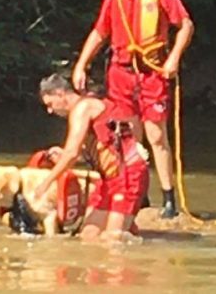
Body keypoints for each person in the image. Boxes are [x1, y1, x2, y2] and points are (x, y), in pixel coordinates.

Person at [71, 0, 194, 218]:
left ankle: (169, 198)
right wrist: (81, 64)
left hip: (152, 74)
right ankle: (140, 195)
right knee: (128, 137)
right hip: (121, 75)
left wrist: (173, 58)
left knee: (157, 136)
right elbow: (99, 33)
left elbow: (185, 25)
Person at [34, 74, 150, 242]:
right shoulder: (85, 107)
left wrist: (46, 183)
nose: (50, 111)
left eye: (50, 104)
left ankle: (127, 227)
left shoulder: (83, 108)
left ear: (60, 94)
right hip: (108, 179)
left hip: (128, 175)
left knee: (112, 240)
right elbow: (90, 151)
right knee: (89, 236)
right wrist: (63, 154)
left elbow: (72, 153)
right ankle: (129, 226)